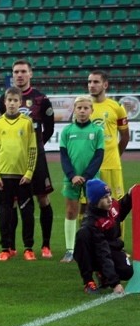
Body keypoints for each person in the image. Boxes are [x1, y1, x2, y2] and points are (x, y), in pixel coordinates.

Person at [0, 59, 55, 258]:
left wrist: (35, 147)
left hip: (35, 159)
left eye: (23, 71)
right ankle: (11, 247)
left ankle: (45, 245)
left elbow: (50, 128)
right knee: (12, 201)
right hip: (12, 161)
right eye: (16, 72)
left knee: (43, 198)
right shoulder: (2, 99)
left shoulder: (41, 99)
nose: (19, 75)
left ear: (30, 73)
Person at [0, 87, 38, 261]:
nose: (11, 103)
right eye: (9, 100)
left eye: (15, 100)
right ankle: (5, 248)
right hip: (3, 177)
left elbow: (32, 150)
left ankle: (28, 248)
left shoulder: (26, 122)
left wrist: (29, 172)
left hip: (23, 177)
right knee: (4, 215)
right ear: (5, 102)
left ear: (20, 103)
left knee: (27, 213)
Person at [59, 96, 104, 263]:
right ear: (74, 110)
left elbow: (99, 156)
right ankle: (70, 250)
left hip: (91, 179)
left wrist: (86, 176)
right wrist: (72, 176)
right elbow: (64, 157)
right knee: (71, 211)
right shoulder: (67, 131)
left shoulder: (98, 131)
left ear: (91, 110)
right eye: (79, 108)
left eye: (86, 108)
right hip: (71, 178)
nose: (83, 111)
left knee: (92, 212)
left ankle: (93, 246)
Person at [74, 179, 133, 295]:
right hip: (97, 252)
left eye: (109, 195)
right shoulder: (92, 222)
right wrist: (116, 283)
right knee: (82, 235)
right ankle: (88, 281)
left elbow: (119, 209)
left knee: (127, 271)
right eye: (105, 197)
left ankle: (103, 274)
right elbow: (102, 252)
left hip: (111, 247)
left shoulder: (111, 206)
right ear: (96, 201)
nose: (110, 200)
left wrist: (130, 196)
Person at [89, 70, 129, 202]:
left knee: (115, 204)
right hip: (89, 165)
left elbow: (125, 136)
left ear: (105, 85)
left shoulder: (116, 107)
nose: (91, 85)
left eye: (96, 82)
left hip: (111, 165)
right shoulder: (83, 106)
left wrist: (115, 155)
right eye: (89, 82)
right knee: (89, 205)